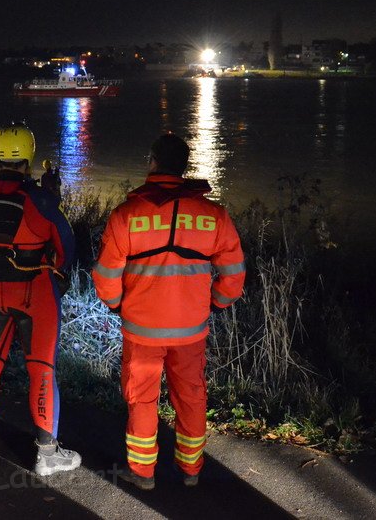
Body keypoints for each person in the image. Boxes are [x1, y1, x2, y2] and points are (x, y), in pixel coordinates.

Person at [92, 133, 245, 490]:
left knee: (142, 398)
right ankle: (191, 469)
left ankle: (143, 473)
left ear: (152, 162)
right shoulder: (214, 216)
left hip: (142, 328)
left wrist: (117, 305)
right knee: (191, 396)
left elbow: (106, 275)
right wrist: (216, 303)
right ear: (184, 167)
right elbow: (234, 276)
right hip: (191, 329)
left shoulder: (127, 214)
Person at [0, 124, 80, 476]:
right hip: (35, 293)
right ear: (29, 156)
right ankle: (46, 453)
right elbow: (65, 248)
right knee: (41, 369)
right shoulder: (41, 201)